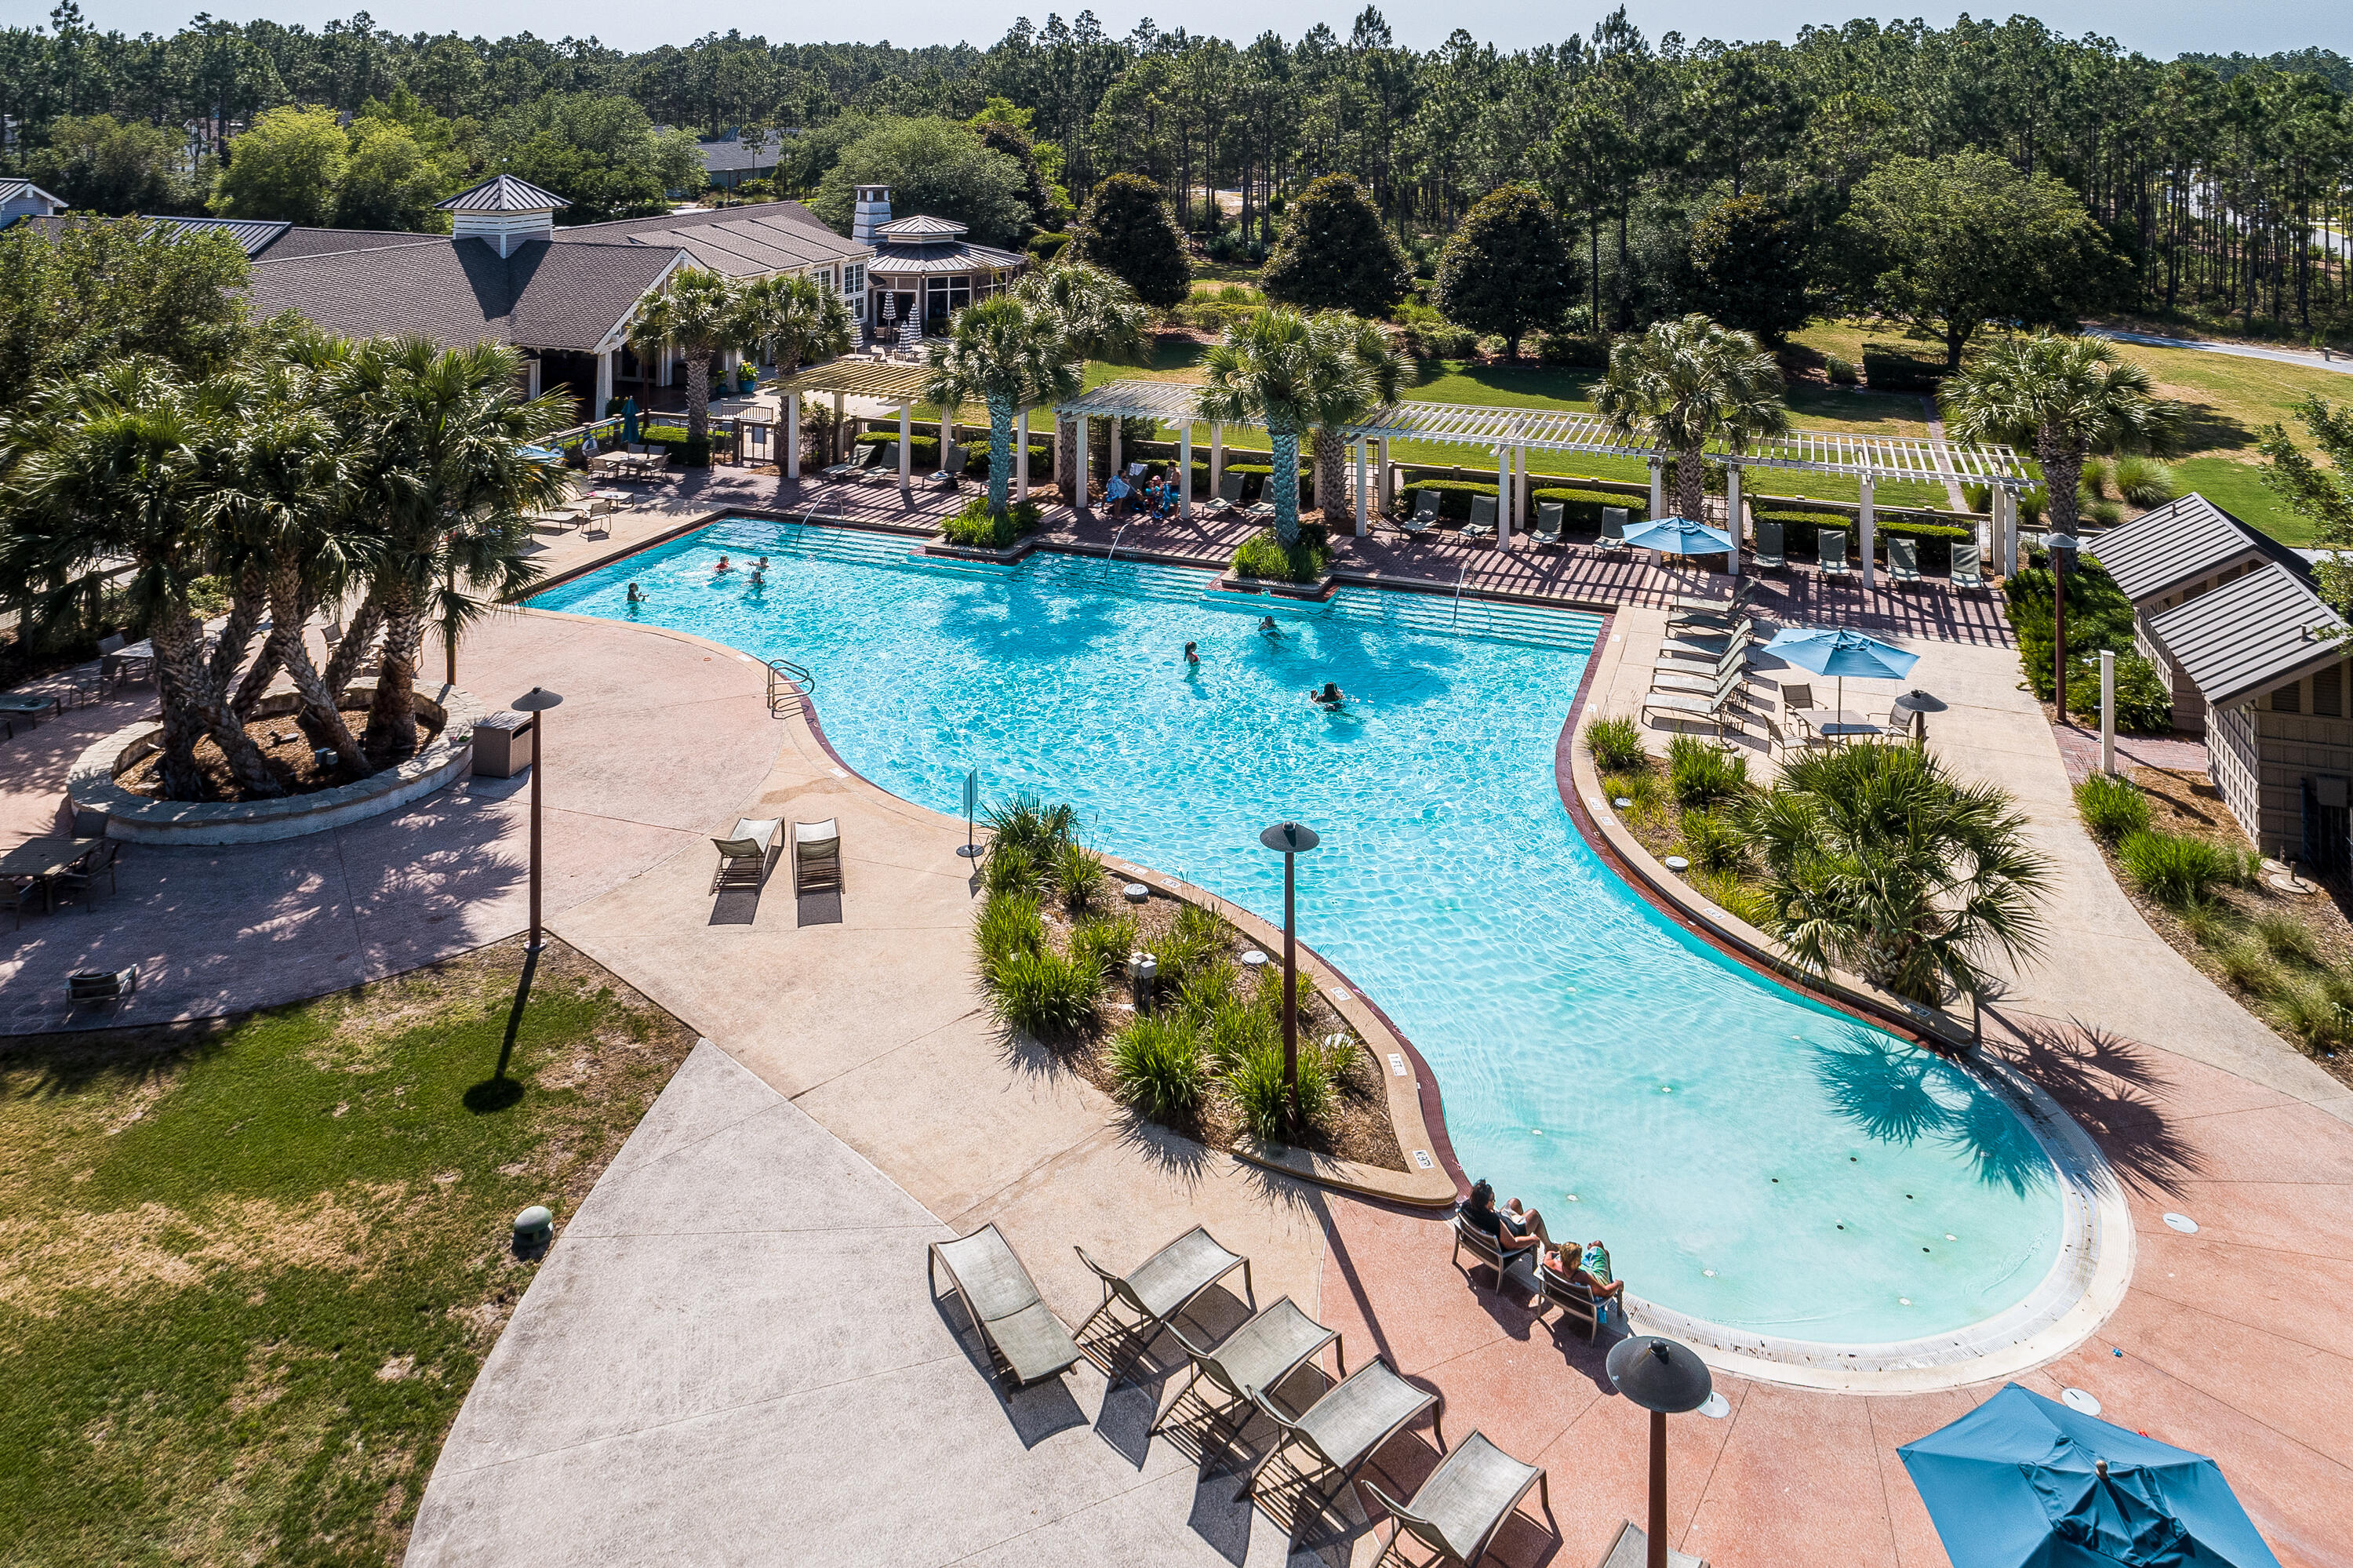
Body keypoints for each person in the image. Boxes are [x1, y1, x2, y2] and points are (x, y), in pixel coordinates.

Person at [1460, 1180, 1549, 1264]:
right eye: (1493, 1200)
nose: (1494, 1201)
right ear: (1486, 1204)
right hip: (1512, 1235)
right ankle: (1549, 1246)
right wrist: (1534, 1239)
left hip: (1495, 1228)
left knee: (1515, 1202)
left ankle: (1520, 1219)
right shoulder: (1494, 1221)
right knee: (1534, 1214)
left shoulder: (1466, 1206)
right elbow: (1512, 1243)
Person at [1551, 1238, 1627, 1309]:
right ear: (1575, 1262)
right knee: (1600, 1246)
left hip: (1568, 1295)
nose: (1581, 1259)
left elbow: (1548, 1255)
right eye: (1579, 1257)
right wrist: (1618, 1284)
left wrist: (1556, 1253)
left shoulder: (1555, 1265)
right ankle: (1595, 1248)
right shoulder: (1583, 1277)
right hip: (1590, 1299)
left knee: (1603, 1251)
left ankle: (1594, 1249)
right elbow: (1605, 1292)